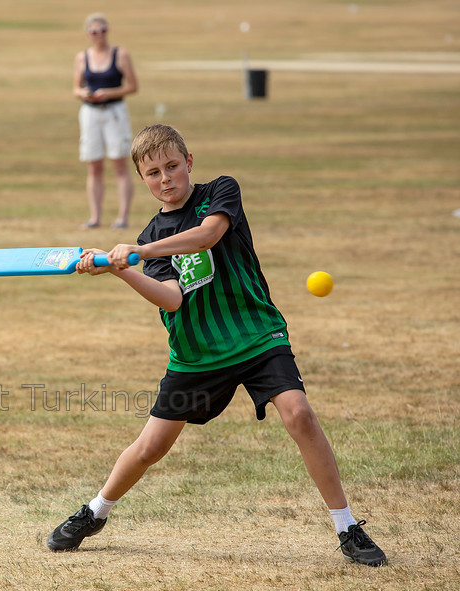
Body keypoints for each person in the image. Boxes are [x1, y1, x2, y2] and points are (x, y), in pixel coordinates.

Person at [46, 124, 387, 567]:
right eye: (153, 172)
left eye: (172, 166)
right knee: (150, 448)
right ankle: (95, 512)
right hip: (197, 353)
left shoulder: (220, 192)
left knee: (300, 414)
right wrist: (119, 269)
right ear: (141, 179)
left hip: (256, 334)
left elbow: (207, 236)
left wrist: (136, 253)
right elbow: (171, 298)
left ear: (189, 163)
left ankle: (347, 528)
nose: (165, 178)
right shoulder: (151, 236)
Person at [73, 13, 138, 230]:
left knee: (120, 164)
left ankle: (122, 217)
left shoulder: (120, 55)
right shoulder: (82, 58)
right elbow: (75, 88)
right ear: (88, 34)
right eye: (93, 31)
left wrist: (108, 93)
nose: (98, 35)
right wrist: (85, 94)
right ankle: (95, 217)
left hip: (115, 112)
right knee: (94, 165)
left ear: (107, 31)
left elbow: (133, 86)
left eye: (102, 30)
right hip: (91, 113)